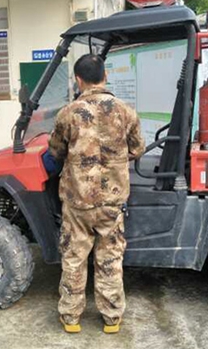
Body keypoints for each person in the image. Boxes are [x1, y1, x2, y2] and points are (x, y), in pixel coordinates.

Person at [48, 54, 145, 334]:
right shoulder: (126, 112)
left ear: (79, 80)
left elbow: (55, 152)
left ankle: (71, 318)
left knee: (74, 258)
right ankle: (112, 319)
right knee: (110, 259)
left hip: (77, 202)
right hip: (112, 203)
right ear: (105, 75)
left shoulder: (68, 113)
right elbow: (138, 149)